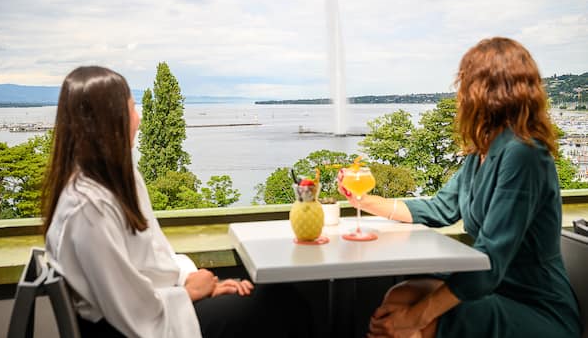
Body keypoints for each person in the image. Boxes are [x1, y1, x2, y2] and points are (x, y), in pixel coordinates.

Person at [338, 38, 582, 338]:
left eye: (465, 83)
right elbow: (441, 208)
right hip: (495, 288)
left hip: (535, 305)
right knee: (400, 297)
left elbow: (491, 257)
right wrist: (363, 200)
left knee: (418, 321)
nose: (459, 94)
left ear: (483, 91)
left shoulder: (524, 154)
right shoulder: (482, 152)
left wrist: (414, 318)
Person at [43, 66, 310, 338]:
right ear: (109, 122)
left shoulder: (115, 182)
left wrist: (191, 281)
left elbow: (150, 259)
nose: (138, 119)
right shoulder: (87, 209)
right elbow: (131, 308)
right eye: (132, 109)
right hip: (136, 328)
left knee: (279, 296)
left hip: (160, 306)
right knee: (278, 307)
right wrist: (190, 293)